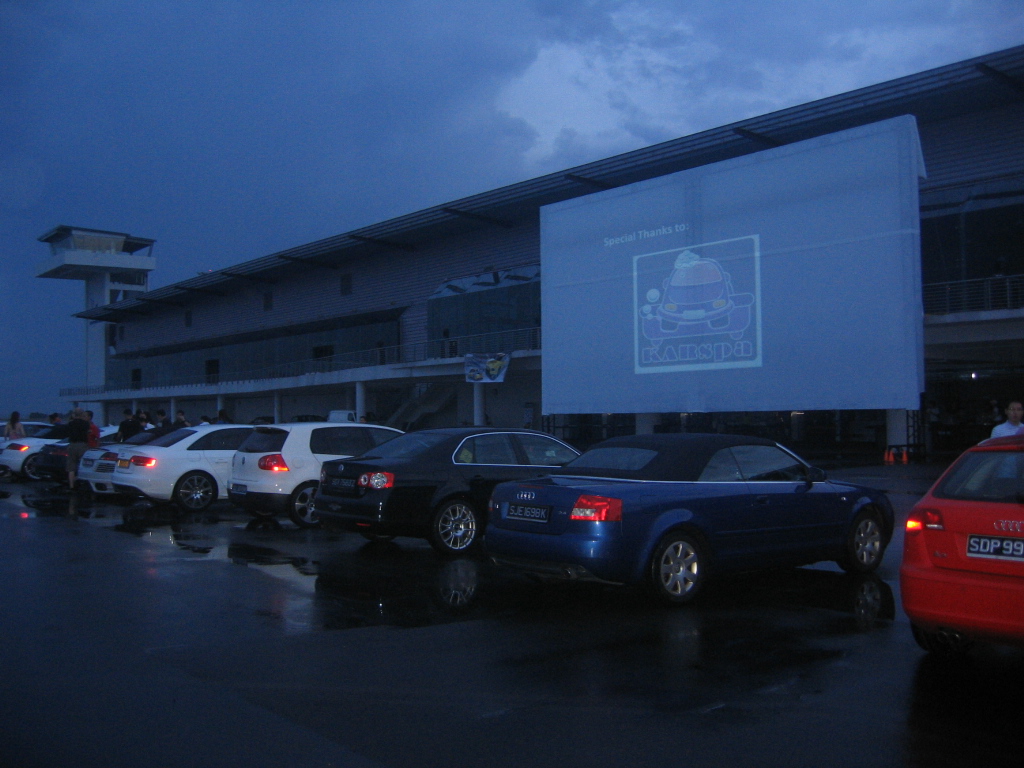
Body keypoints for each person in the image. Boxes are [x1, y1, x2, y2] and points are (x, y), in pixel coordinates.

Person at [66, 408, 91, 490]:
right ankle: (83, 484)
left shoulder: (70, 424)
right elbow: (89, 432)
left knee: (71, 467)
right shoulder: (85, 424)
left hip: (72, 445)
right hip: (82, 445)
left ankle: (71, 486)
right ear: (82, 414)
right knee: (83, 464)